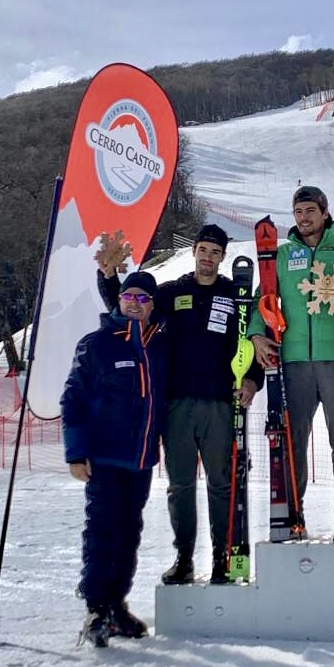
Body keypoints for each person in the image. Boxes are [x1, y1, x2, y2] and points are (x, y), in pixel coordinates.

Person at [98, 224, 263, 586]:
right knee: (180, 485)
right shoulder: (172, 293)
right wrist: (109, 277)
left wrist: (253, 379)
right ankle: (184, 557)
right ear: (195, 252)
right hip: (177, 405)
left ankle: (224, 556)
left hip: (222, 404)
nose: (208, 257)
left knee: (223, 485)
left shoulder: (236, 295)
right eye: (203, 249)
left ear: (222, 257)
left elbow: (250, 342)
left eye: (215, 252)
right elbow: (129, 308)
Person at [248, 185, 334, 541]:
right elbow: (262, 301)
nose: (304, 218)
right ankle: (295, 515)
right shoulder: (281, 255)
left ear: (325, 213)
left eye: (310, 211)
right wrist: (256, 335)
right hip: (294, 363)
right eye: (298, 212)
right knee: (294, 440)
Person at [61, 271, 167, 647]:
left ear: (152, 306)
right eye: (129, 297)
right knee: (102, 531)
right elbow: (73, 399)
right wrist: (76, 453)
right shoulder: (97, 344)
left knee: (129, 533)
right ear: (119, 300)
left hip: (140, 461)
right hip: (105, 457)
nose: (135, 303)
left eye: (143, 299)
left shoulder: (158, 345)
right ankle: (96, 608)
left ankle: (117, 605)